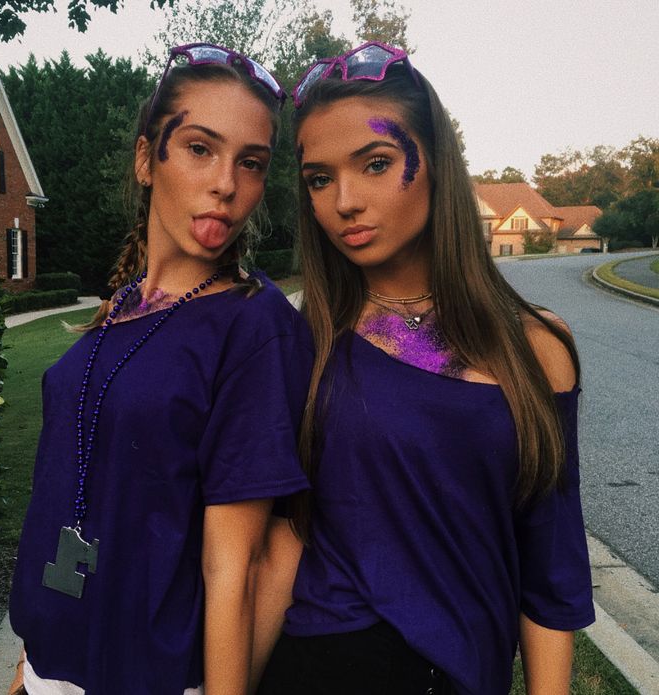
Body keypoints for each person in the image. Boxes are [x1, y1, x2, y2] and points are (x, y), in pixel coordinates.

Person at [255, 42, 595, 695]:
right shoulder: (307, 341)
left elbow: (551, 573)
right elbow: (279, 538)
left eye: (376, 163)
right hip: (320, 662)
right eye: (320, 179)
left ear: (435, 161)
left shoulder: (538, 347)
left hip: (461, 673)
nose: (343, 201)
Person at [8, 43, 313, 695]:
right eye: (201, 148)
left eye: (250, 162)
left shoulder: (253, 325)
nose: (227, 184)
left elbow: (239, 563)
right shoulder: (117, 306)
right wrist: (29, 662)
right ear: (148, 158)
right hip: (48, 668)